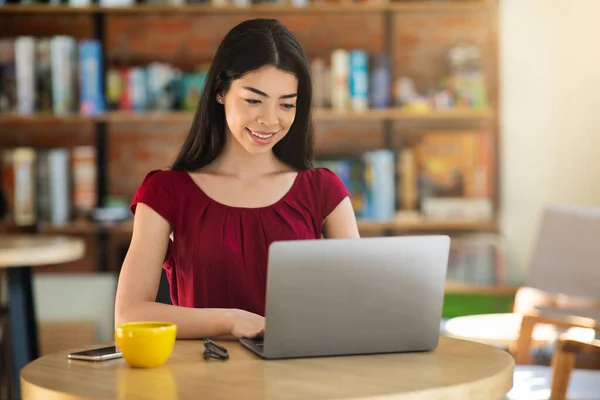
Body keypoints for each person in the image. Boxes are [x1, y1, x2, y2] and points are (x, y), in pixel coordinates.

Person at [114, 18, 360, 341]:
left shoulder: (323, 190)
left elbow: (360, 303)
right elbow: (130, 314)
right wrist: (231, 321)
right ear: (220, 90)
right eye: (254, 100)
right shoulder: (166, 192)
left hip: (300, 380)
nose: (270, 120)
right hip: (206, 380)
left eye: (286, 104)